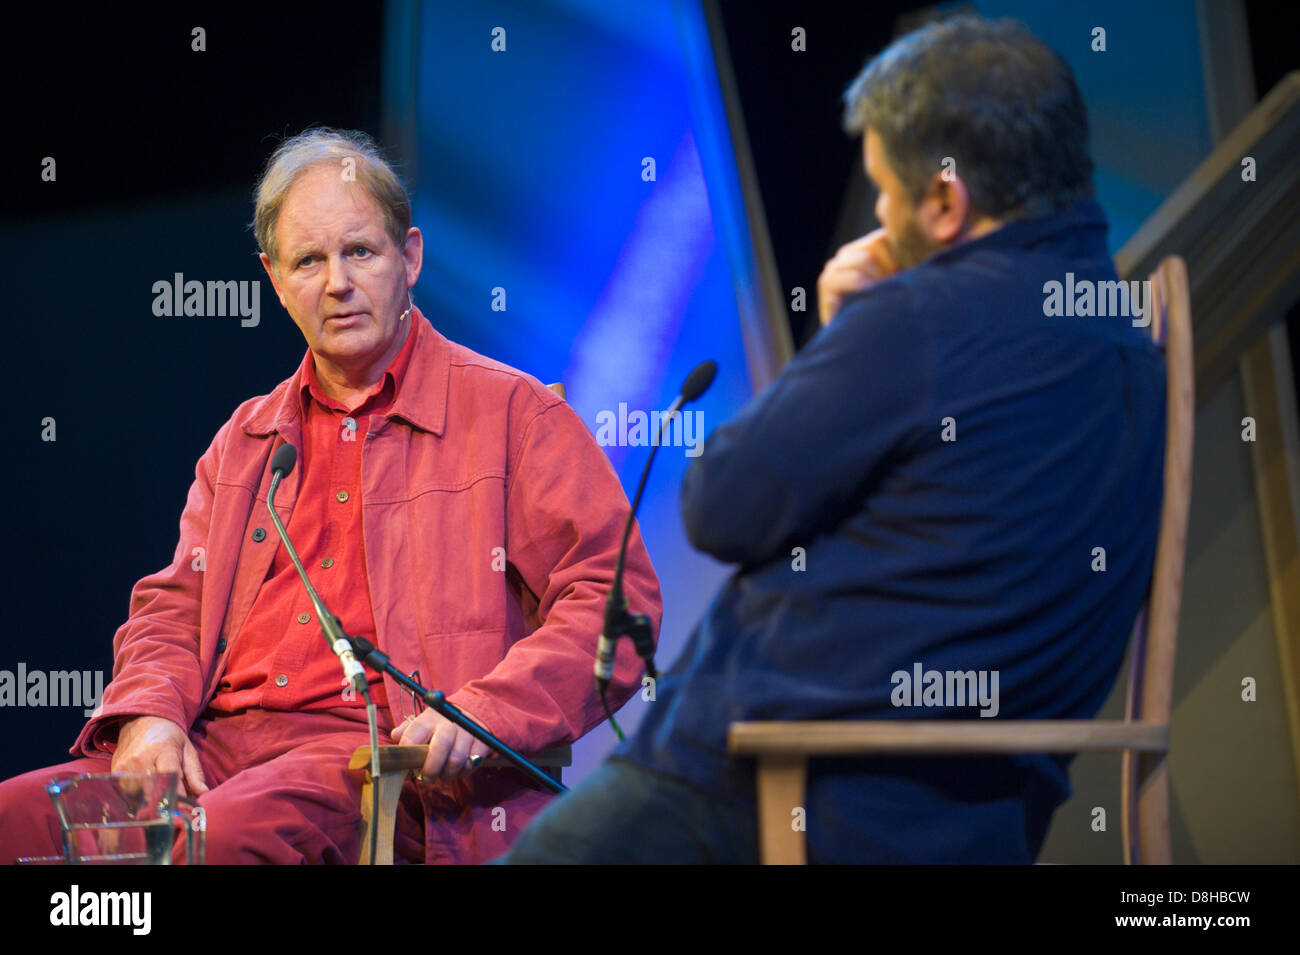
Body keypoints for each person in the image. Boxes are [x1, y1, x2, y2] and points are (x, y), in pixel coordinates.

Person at [502, 15, 1165, 864]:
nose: (880, 215)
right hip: (985, 817)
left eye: (886, 190)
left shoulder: (925, 315)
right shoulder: (1132, 353)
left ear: (945, 203)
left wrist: (848, 332)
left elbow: (723, 506)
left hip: (781, 790)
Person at [0, 128, 661, 865]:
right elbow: (172, 610)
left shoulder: (514, 415)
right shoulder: (245, 440)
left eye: (360, 252)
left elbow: (613, 606)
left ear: (409, 257)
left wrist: (483, 715)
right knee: (15, 820)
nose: (337, 283)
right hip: (211, 758)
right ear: (275, 280)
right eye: (308, 261)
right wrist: (151, 714)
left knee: (215, 842)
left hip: (370, 767)